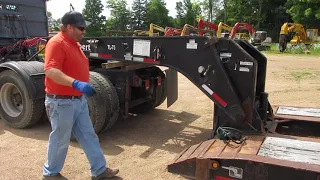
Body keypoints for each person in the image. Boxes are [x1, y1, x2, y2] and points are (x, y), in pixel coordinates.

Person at [42, 11, 119, 180]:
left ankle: (99, 170)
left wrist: (83, 83)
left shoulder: (73, 43)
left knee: (88, 135)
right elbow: (50, 71)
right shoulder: (57, 43)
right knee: (60, 139)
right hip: (61, 102)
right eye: (81, 28)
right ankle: (50, 174)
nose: (84, 31)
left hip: (78, 101)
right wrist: (76, 83)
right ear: (69, 27)